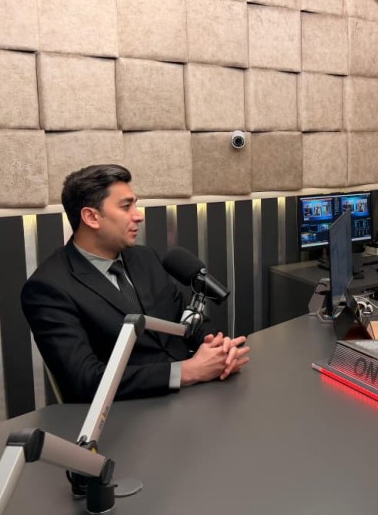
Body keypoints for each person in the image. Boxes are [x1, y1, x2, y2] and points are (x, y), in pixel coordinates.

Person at [21, 164, 250, 402]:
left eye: (135, 204)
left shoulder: (145, 257)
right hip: (128, 412)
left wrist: (218, 348)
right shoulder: (48, 287)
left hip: (194, 396)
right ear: (91, 217)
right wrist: (186, 372)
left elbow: (187, 319)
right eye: (126, 206)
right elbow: (84, 380)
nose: (138, 215)